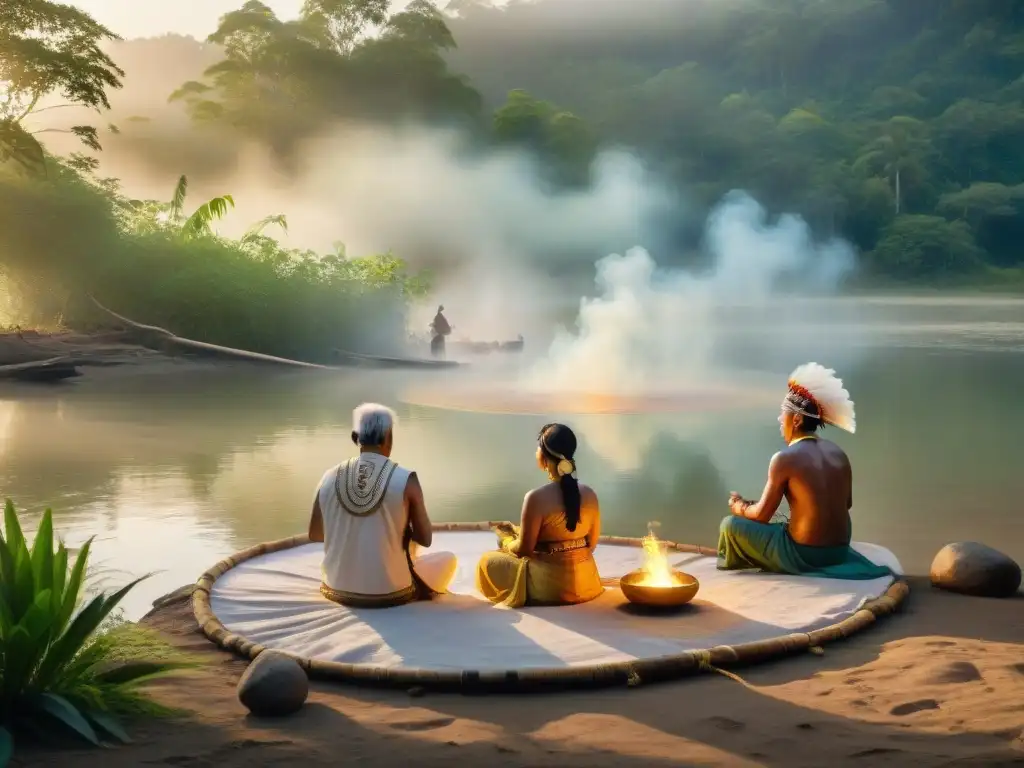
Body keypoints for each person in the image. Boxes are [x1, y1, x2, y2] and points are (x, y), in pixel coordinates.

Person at [718, 363, 891, 580]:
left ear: (797, 419)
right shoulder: (838, 453)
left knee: (730, 525)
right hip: (839, 551)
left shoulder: (784, 458)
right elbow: (846, 504)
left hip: (805, 554)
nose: (781, 422)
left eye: (784, 416)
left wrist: (740, 506)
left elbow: (762, 515)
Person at [308, 403, 458, 607]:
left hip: (335, 588)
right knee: (448, 559)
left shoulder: (328, 476)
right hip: (393, 592)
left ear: (355, 438)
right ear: (389, 437)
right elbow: (425, 538)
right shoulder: (406, 479)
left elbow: (316, 534)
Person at [476, 423, 604, 607]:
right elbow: (591, 545)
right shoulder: (590, 494)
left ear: (544, 457)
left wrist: (506, 542)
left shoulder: (535, 498)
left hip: (550, 587)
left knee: (486, 560)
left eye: (538, 448)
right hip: (587, 582)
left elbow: (525, 550)